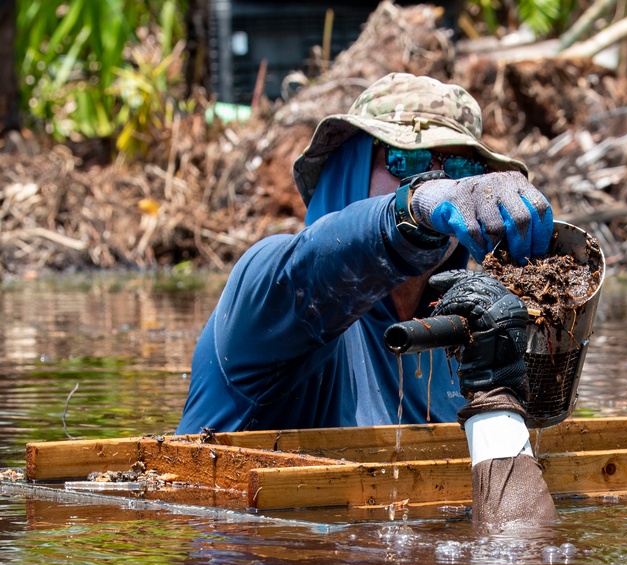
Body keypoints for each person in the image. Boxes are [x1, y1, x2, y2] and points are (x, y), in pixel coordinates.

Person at [176, 73, 556, 527]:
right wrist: (412, 208)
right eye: (405, 160)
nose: (433, 177)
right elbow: (319, 264)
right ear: (346, 169)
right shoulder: (266, 292)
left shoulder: (471, 324)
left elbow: (517, 530)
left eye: (458, 170)